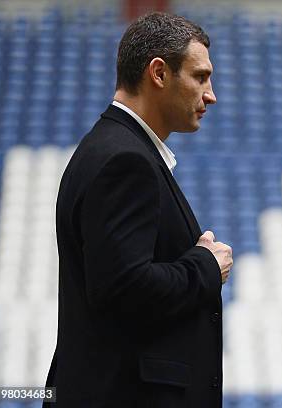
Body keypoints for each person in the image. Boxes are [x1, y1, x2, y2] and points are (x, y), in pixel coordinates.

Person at [44, 12, 232, 408]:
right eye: (200, 77)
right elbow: (123, 289)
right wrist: (205, 266)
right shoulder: (124, 160)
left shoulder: (114, 147)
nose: (211, 94)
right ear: (159, 74)